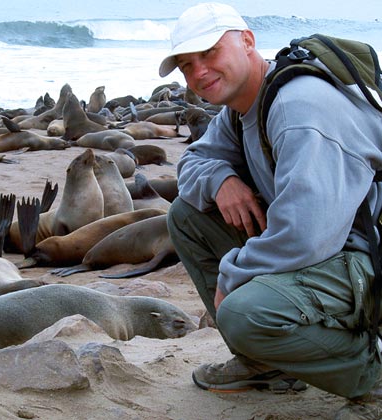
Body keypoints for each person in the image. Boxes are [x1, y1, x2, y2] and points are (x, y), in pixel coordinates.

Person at [160, 2, 382, 419]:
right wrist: (222, 181)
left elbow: (306, 235)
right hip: (331, 247)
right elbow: (190, 164)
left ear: (247, 42)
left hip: (366, 254)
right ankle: (269, 366)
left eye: (209, 54)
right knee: (187, 218)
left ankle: (374, 378)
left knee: (244, 314)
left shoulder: (299, 106)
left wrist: (234, 275)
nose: (199, 73)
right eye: (187, 65)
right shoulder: (245, 105)